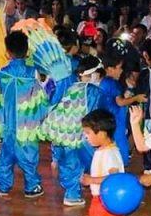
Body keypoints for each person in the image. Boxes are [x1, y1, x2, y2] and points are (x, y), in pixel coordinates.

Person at [81, 109, 151, 216]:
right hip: (98, 199)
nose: (86, 136)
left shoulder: (111, 154)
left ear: (102, 133)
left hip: (109, 201)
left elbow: (114, 179)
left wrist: (91, 179)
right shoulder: (101, 150)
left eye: (88, 133)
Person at [41, 55, 104, 206]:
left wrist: (55, 155)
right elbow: (96, 114)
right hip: (82, 135)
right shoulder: (93, 91)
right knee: (89, 162)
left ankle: (72, 191)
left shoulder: (70, 87)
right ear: (94, 74)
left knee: (69, 164)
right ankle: (75, 193)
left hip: (62, 134)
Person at [0, 31, 49, 198]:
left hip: (7, 123)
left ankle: (3, 185)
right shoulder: (34, 72)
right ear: (27, 51)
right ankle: (32, 186)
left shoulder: (1, 74)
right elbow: (42, 97)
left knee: (6, 155)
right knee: (29, 155)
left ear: (8, 52)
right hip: (28, 124)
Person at [99, 43, 146, 164]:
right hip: (116, 119)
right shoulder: (112, 83)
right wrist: (137, 98)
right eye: (119, 68)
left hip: (109, 118)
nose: (121, 70)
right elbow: (120, 102)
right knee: (120, 145)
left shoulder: (105, 81)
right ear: (110, 68)